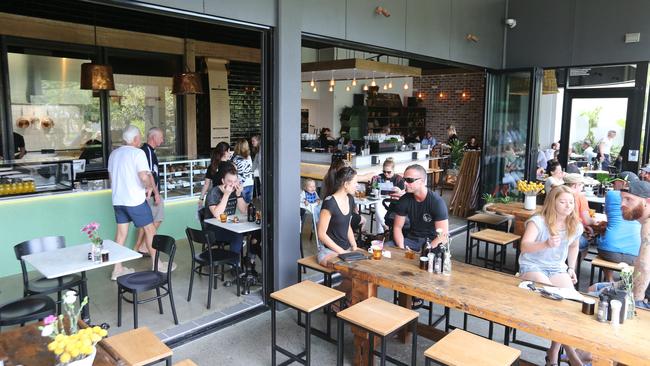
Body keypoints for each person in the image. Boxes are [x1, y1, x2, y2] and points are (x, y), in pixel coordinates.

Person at [518, 185, 584, 366]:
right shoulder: (538, 221)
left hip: (556, 268)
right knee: (554, 298)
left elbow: (573, 246)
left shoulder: (575, 225)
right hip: (532, 265)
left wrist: (571, 268)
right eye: (562, 201)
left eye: (571, 202)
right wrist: (545, 244)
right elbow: (524, 246)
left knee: (571, 304)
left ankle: (554, 350)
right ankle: (570, 353)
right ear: (552, 202)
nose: (568, 205)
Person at [107, 126, 165, 280]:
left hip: (118, 201)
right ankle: (157, 264)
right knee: (150, 230)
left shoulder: (114, 154)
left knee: (121, 234)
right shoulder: (137, 153)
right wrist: (149, 188)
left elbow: (112, 179)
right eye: (139, 137)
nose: (140, 139)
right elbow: (144, 177)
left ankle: (117, 269)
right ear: (134, 139)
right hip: (135, 200)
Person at [390, 164, 449, 250]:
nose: (405, 183)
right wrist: (401, 248)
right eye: (404, 179)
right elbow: (397, 227)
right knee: (387, 247)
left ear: (421, 181)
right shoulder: (404, 199)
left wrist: (426, 250)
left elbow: (443, 236)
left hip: (433, 242)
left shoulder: (436, 202)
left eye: (409, 180)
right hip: (412, 240)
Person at [597, 172, 641, 281]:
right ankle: (625, 283)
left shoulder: (611, 195)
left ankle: (609, 279)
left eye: (615, 183)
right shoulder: (641, 199)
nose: (613, 185)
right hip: (635, 254)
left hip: (609, 252)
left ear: (623, 183)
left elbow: (610, 217)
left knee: (604, 238)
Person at [203, 162, 249, 255]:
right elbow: (217, 215)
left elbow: (244, 211)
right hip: (213, 229)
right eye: (229, 181)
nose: (232, 184)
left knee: (254, 233)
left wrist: (239, 195)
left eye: (235, 181)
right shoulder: (214, 192)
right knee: (237, 235)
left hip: (229, 225)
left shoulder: (236, 190)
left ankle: (248, 261)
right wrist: (226, 195)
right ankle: (235, 265)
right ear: (223, 181)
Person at [317, 166, 359, 266]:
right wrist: (341, 252)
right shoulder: (330, 203)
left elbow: (346, 225)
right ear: (345, 184)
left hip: (345, 249)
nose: (357, 186)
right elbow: (321, 235)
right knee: (348, 268)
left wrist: (354, 245)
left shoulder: (350, 199)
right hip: (328, 251)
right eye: (355, 183)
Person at [619, 179, 650, 309]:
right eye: (622, 199)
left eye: (628, 199)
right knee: (597, 288)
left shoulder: (648, 226)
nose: (622, 204)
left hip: (644, 298)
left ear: (647, 202)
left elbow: (644, 265)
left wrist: (636, 303)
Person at [134, 127, 164, 257]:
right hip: (150, 194)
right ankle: (143, 246)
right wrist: (155, 193)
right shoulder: (147, 152)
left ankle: (140, 247)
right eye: (161, 137)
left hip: (149, 194)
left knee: (146, 222)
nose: (162, 140)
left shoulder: (148, 151)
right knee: (155, 220)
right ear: (153, 137)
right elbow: (150, 174)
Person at [322, 158, 366, 232]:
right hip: (337, 219)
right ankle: (356, 234)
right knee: (363, 220)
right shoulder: (340, 190)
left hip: (328, 216)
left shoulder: (328, 178)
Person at [370, 158, 405, 234]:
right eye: (384, 172)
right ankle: (384, 228)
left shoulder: (399, 179)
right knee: (377, 205)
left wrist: (399, 191)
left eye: (389, 172)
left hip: (394, 202)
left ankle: (381, 233)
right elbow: (373, 191)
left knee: (378, 208)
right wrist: (374, 186)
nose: (386, 174)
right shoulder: (379, 177)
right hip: (380, 200)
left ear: (393, 170)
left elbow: (404, 195)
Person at [563, 173, 597, 254]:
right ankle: (575, 264)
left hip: (554, 232)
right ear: (575, 185)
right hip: (571, 234)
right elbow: (586, 221)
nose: (583, 188)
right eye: (582, 185)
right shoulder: (580, 197)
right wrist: (594, 221)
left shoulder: (555, 194)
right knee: (583, 243)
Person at [199, 142, 231, 207]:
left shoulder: (212, 166)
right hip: (226, 196)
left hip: (214, 196)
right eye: (229, 151)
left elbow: (206, 184)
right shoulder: (230, 166)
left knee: (214, 216)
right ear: (225, 153)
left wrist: (201, 198)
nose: (230, 153)